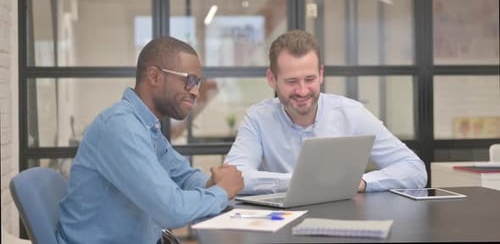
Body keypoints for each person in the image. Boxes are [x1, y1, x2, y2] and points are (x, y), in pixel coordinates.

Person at [56, 36, 244, 244]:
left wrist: (214, 182)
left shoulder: (147, 128)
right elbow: (171, 210)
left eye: (198, 83)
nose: (196, 92)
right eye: (190, 80)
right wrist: (222, 191)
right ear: (154, 76)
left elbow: (184, 176)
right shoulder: (120, 127)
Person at [224, 29, 427, 195]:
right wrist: (301, 182)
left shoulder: (351, 114)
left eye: (310, 79)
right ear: (271, 79)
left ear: (321, 74)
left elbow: (414, 169)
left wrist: (362, 182)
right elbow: (231, 177)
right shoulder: (258, 118)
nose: (302, 91)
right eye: (292, 82)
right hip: (282, 224)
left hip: (345, 222)